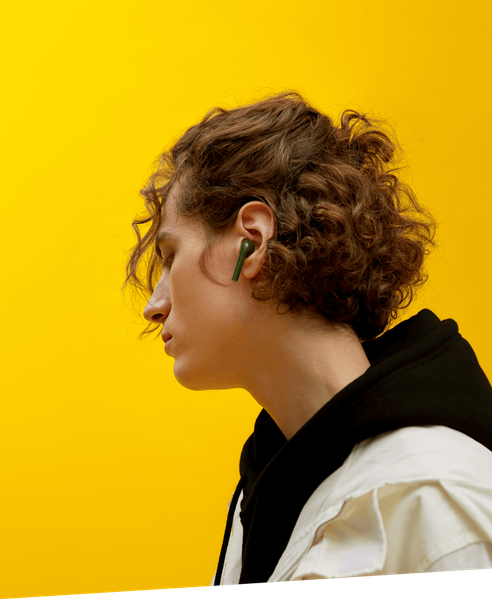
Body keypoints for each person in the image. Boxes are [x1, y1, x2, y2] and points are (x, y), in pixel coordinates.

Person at [123, 92, 492, 584]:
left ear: (251, 241)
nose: (154, 305)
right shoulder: (265, 497)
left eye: (170, 257)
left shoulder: (435, 500)